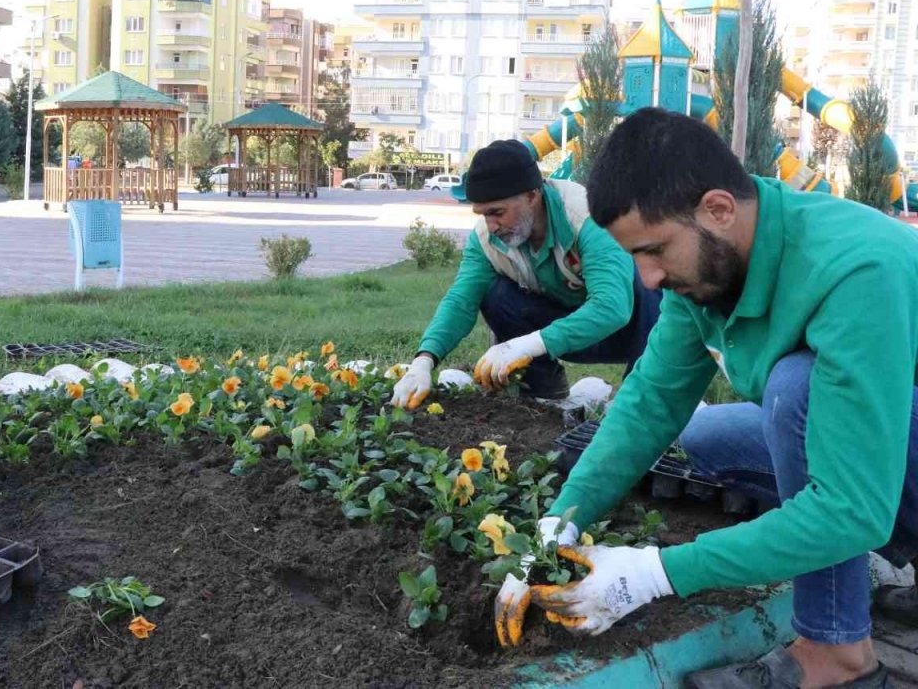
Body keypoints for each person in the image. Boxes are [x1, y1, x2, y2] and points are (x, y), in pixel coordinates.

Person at [513, 107, 912, 688]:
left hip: (887, 451)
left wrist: (657, 572)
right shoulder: (708, 267)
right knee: (704, 436)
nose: (646, 279)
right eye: (634, 258)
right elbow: (651, 400)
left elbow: (851, 508)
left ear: (718, 209)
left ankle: (836, 659)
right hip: (892, 433)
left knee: (794, 394)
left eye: (654, 251)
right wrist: (561, 522)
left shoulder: (857, 268)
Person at [389, 139, 661, 409]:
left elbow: (612, 308)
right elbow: (461, 300)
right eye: (483, 214)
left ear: (532, 196)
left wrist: (529, 344)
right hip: (569, 334)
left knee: (646, 279)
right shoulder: (485, 240)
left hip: (632, 331)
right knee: (495, 294)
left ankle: (643, 395)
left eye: (497, 213)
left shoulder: (587, 218)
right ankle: (542, 389)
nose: (491, 226)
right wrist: (423, 361)